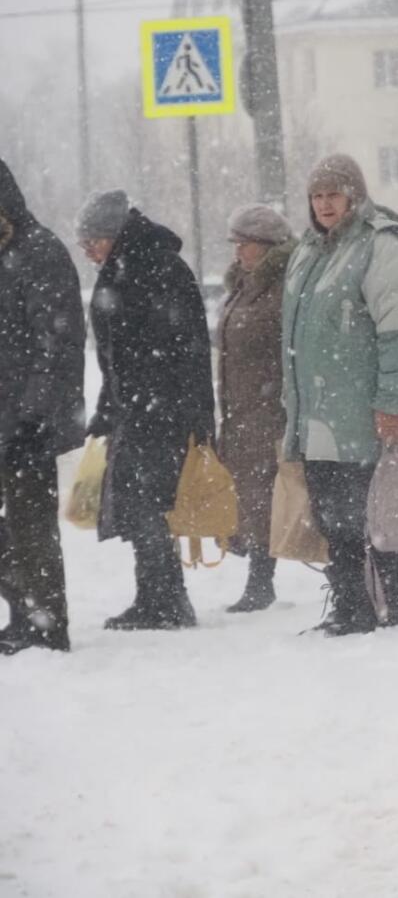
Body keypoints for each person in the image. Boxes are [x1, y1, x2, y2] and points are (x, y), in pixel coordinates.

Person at [283, 154, 398, 635]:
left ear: (355, 195)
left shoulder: (380, 246)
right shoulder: (310, 251)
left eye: (334, 194)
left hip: (360, 413)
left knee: (370, 517)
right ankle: (350, 603)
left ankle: (380, 603)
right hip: (318, 416)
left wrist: (393, 401)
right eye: (317, 195)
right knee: (333, 518)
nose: (325, 204)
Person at [78, 190, 214, 630]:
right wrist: (107, 409)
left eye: (92, 241)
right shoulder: (125, 268)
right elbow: (115, 358)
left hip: (160, 413)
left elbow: (184, 350)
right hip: (137, 410)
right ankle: (156, 596)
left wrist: (185, 412)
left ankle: (168, 600)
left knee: (151, 505)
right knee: (139, 507)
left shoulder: (154, 267)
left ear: (113, 235)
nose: (88, 251)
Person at [0, 160, 86, 654]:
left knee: (31, 524)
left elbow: (58, 342)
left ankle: (46, 624)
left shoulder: (37, 252)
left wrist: (33, 416)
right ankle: (26, 608)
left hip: (28, 419)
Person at [217, 205, 296, 613]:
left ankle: (261, 582)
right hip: (241, 408)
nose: (237, 252)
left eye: (243, 244)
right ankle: (257, 573)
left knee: (267, 495)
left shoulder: (283, 288)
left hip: (269, 408)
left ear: (266, 247)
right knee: (252, 494)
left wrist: (279, 399)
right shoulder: (243, 286)